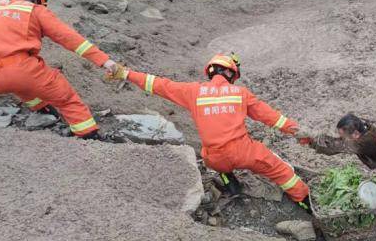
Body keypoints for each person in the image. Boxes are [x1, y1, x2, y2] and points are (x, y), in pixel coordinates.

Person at [108, 53, 312, 211]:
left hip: (214, 158)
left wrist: (124, 73)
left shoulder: (193, 91)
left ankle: (231, 185)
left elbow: (157, 84)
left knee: (213, 156)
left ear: (211, 72)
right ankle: (305, 202)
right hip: (244, 153)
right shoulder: (240, 93)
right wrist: (298, 133)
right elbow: (272, 117)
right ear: (231, 73)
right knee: (281, 170)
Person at [0, 0, 117, 140]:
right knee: (66, 98)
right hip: (22, 71)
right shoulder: (35, 11)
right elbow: (70, 39)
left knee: (23, 86)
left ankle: (42, 110)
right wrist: (104, 61)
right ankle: (89, 136)